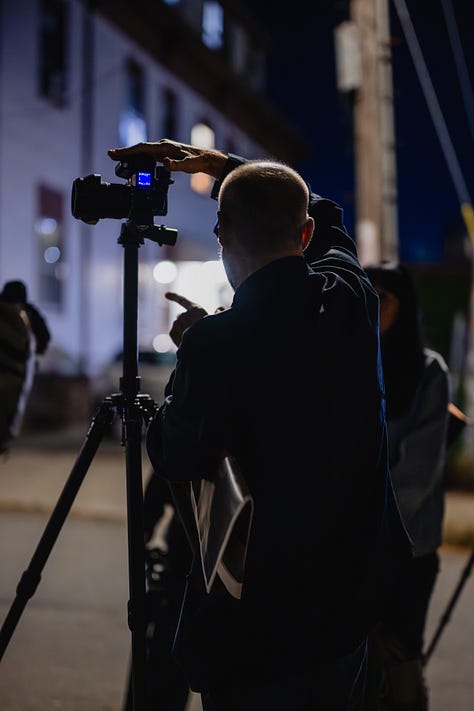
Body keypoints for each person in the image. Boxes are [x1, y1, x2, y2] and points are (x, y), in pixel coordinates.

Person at [108, 140, 412, 711]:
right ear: (303, 234)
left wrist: (190, 357)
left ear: (221, 233)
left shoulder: (213, 346)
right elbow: (328, 219)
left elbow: (173, 454)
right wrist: (226, 166)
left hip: (254, 628)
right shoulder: (353, 298)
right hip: (345, 610)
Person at [363, 262, 451, 711]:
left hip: (407, 548)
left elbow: (416, 474)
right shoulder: (347, 361)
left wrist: (360, 521)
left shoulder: (428, 372)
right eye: (367, 296)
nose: (374, 307)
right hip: (351, 546)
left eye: (385, 298)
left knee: (399, 665)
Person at [0, 280, 49, 452]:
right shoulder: (28, 312)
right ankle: (4, 439)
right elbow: (43, 337)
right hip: (17, 372)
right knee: (11, 407)